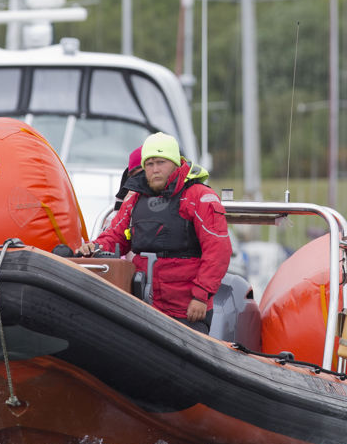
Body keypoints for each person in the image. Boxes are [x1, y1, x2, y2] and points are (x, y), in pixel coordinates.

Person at [77, 132, 232, 333]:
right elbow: (115, 236)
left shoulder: (199, 197)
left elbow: (218, 250)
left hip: (187, 307)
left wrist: (200, 296)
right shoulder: (134, 200)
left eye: (161, 162)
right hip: (144, 303)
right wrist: (95, 247)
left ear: (176, 164)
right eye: (149, 164)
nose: (155, 169)